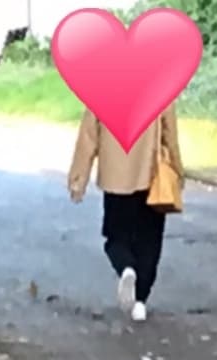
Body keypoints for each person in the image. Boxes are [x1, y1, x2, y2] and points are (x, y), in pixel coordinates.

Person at [67, 107, 184, 322]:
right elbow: (170, 133)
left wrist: (78, 178)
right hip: (151, 174)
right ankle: (140, 301)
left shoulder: (105, 88)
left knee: (116, 237)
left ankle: (126, 267)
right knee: (149, 239)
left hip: (115, 177)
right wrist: (177, 169)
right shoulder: (159, 88)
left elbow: (88, 135)